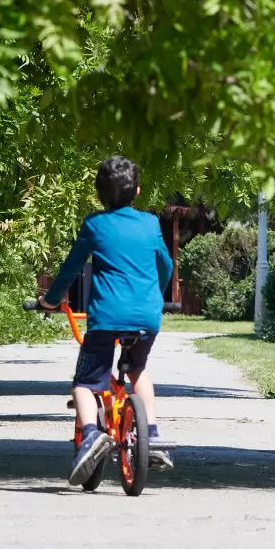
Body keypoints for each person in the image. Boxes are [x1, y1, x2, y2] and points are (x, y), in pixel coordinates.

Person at [39, 156, 175, 485]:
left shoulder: (95, 225)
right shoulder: (150, 224)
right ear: (138, 190)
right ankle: (152, 435)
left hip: (106, 318)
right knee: (138, 368)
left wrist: (51, 300)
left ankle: (90, 436)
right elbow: (166, 266)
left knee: (85, 382)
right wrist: (153, 293)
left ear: (99, 195)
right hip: (146, 314)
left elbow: (71, 268)